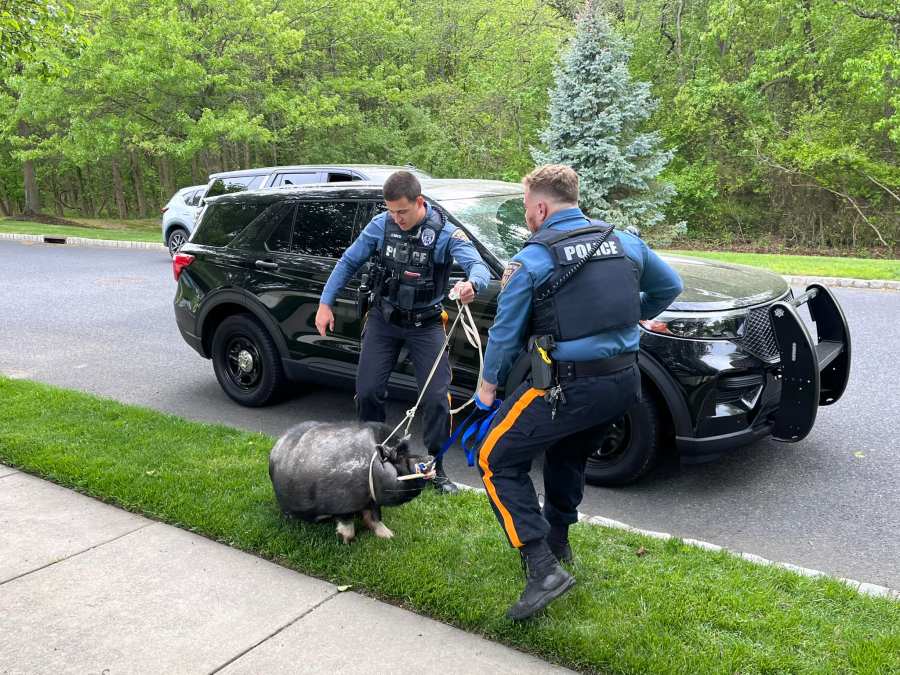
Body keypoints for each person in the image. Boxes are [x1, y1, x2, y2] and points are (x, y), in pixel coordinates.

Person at [475, 164, 683, 620]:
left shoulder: (532, 260)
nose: (528, 217)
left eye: (528, 208)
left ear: (542, 207)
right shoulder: (625, 241)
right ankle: (559, 543)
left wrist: (487, 390)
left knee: (494, 458)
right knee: (567, 454)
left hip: (568, 386)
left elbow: (506, 336)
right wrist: (631, 316)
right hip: (625, 385)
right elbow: (670, 286)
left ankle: (541, 568)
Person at [316, 171, 490, 494]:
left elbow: (477, 266)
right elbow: (347, 262)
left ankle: (435, 468)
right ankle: (372, 458)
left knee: (438, 397)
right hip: (384, 321)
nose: (396, 218)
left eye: (402, 212)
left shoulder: (444, 234)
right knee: (368, 391)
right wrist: (325, 303)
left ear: (419, 202)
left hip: (425, 325)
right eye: (391, 211)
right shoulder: (381, 226)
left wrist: (471, 284)